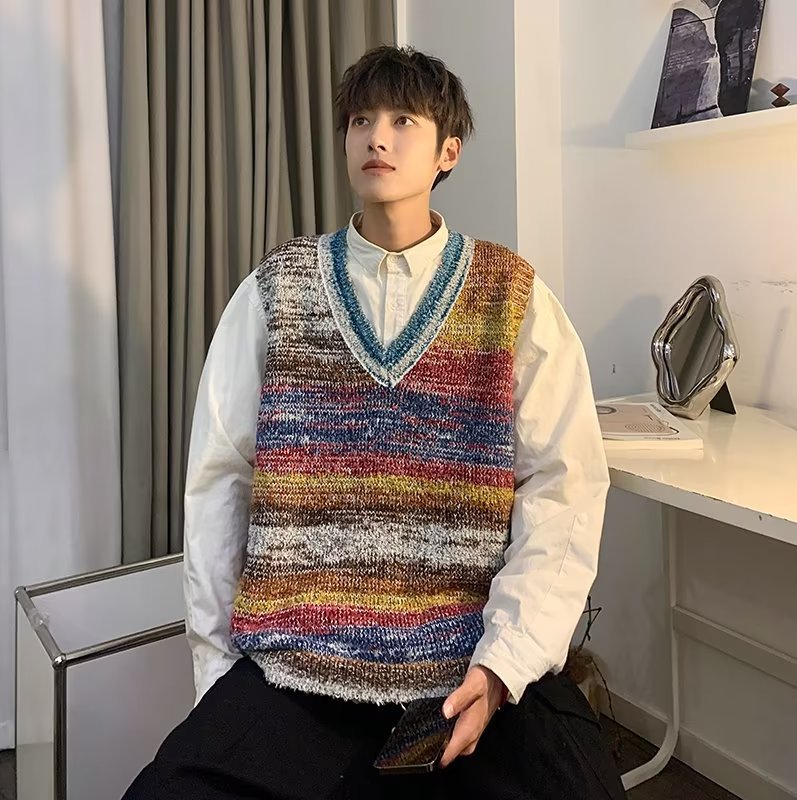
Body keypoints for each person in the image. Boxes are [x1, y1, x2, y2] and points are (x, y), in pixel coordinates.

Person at [123, 44, 625, 800]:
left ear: (448, 150)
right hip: (295, 665)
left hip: (465, 664)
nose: (376, 138)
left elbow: (565, 488)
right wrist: (220, 668)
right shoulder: (276, 291)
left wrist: (505, 664)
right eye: (361, 120)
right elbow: (219, 484)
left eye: (402, 120)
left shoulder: (513, 299)